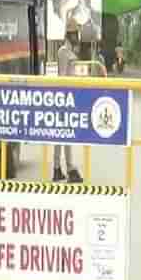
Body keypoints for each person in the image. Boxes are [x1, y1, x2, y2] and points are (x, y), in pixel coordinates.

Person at [54, 37, 83, 183]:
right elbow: (63, 76)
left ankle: (57, 168)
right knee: (65, 133)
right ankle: (69, 169)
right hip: (65, 97)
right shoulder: (64, 52)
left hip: (67, 95)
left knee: (62, 134)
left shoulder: (67, 51)